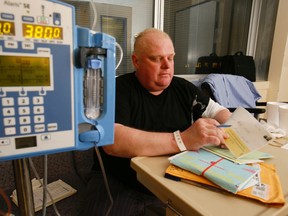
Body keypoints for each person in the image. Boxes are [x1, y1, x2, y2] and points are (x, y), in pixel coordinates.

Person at [80, 28, 231, 216]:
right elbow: (113, 141)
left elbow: (217, 111)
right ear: (136, 61)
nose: (167, 66)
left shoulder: (183, 88)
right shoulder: (117, 89)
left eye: (171, 57)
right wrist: (182, 140)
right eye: (157, 58)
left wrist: (237, 131)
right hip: (120, 181)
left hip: (170, 179)